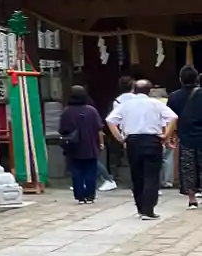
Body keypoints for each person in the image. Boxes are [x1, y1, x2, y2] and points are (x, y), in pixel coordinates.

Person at [106, 77, 175, 219]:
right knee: (151, 176)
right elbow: (173, 117)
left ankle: (140, 208)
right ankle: (148, 210)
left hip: (133, 141)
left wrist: (120, 138)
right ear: (149, 91)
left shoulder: (126, 105)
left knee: (136, 176)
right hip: (152, 140)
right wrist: (166, 136)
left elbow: (110, 120)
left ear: (134, 90)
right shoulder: (156, 103)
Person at [57, 85, 104, 205]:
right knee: (90, 171)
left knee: (76, 172)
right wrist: (101, 143)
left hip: (73, 146)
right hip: (90, 145)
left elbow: (62, 130)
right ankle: (90, 196)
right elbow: (99, 129)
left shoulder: (66, 111)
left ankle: (80, 196)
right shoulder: (91, 111)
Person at [170, 65, 202, 210]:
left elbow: (171, 118)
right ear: (196, 79)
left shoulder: (174, 97)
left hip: (185, 136)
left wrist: (171, 135)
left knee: (188, 167)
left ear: (180, 79)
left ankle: (192, 198)